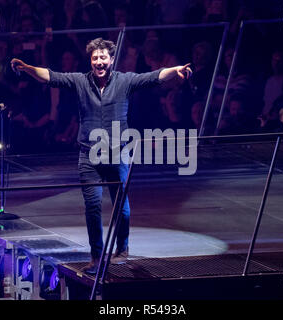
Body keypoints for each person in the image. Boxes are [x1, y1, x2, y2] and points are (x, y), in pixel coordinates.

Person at [10, 37, 192, 274]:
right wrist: (27, 68)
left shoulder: (125, 81)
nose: (99, 62)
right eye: (95, 58)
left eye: (103, 57)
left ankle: (122, 249)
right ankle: (96, 257)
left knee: (121, 207)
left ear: (111, 59)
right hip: (89, 156)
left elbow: (153, 77)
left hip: (118, 153)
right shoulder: (80, 81)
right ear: (91, 60)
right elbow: (52, 76)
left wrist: (176, 70)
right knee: (93, 207)